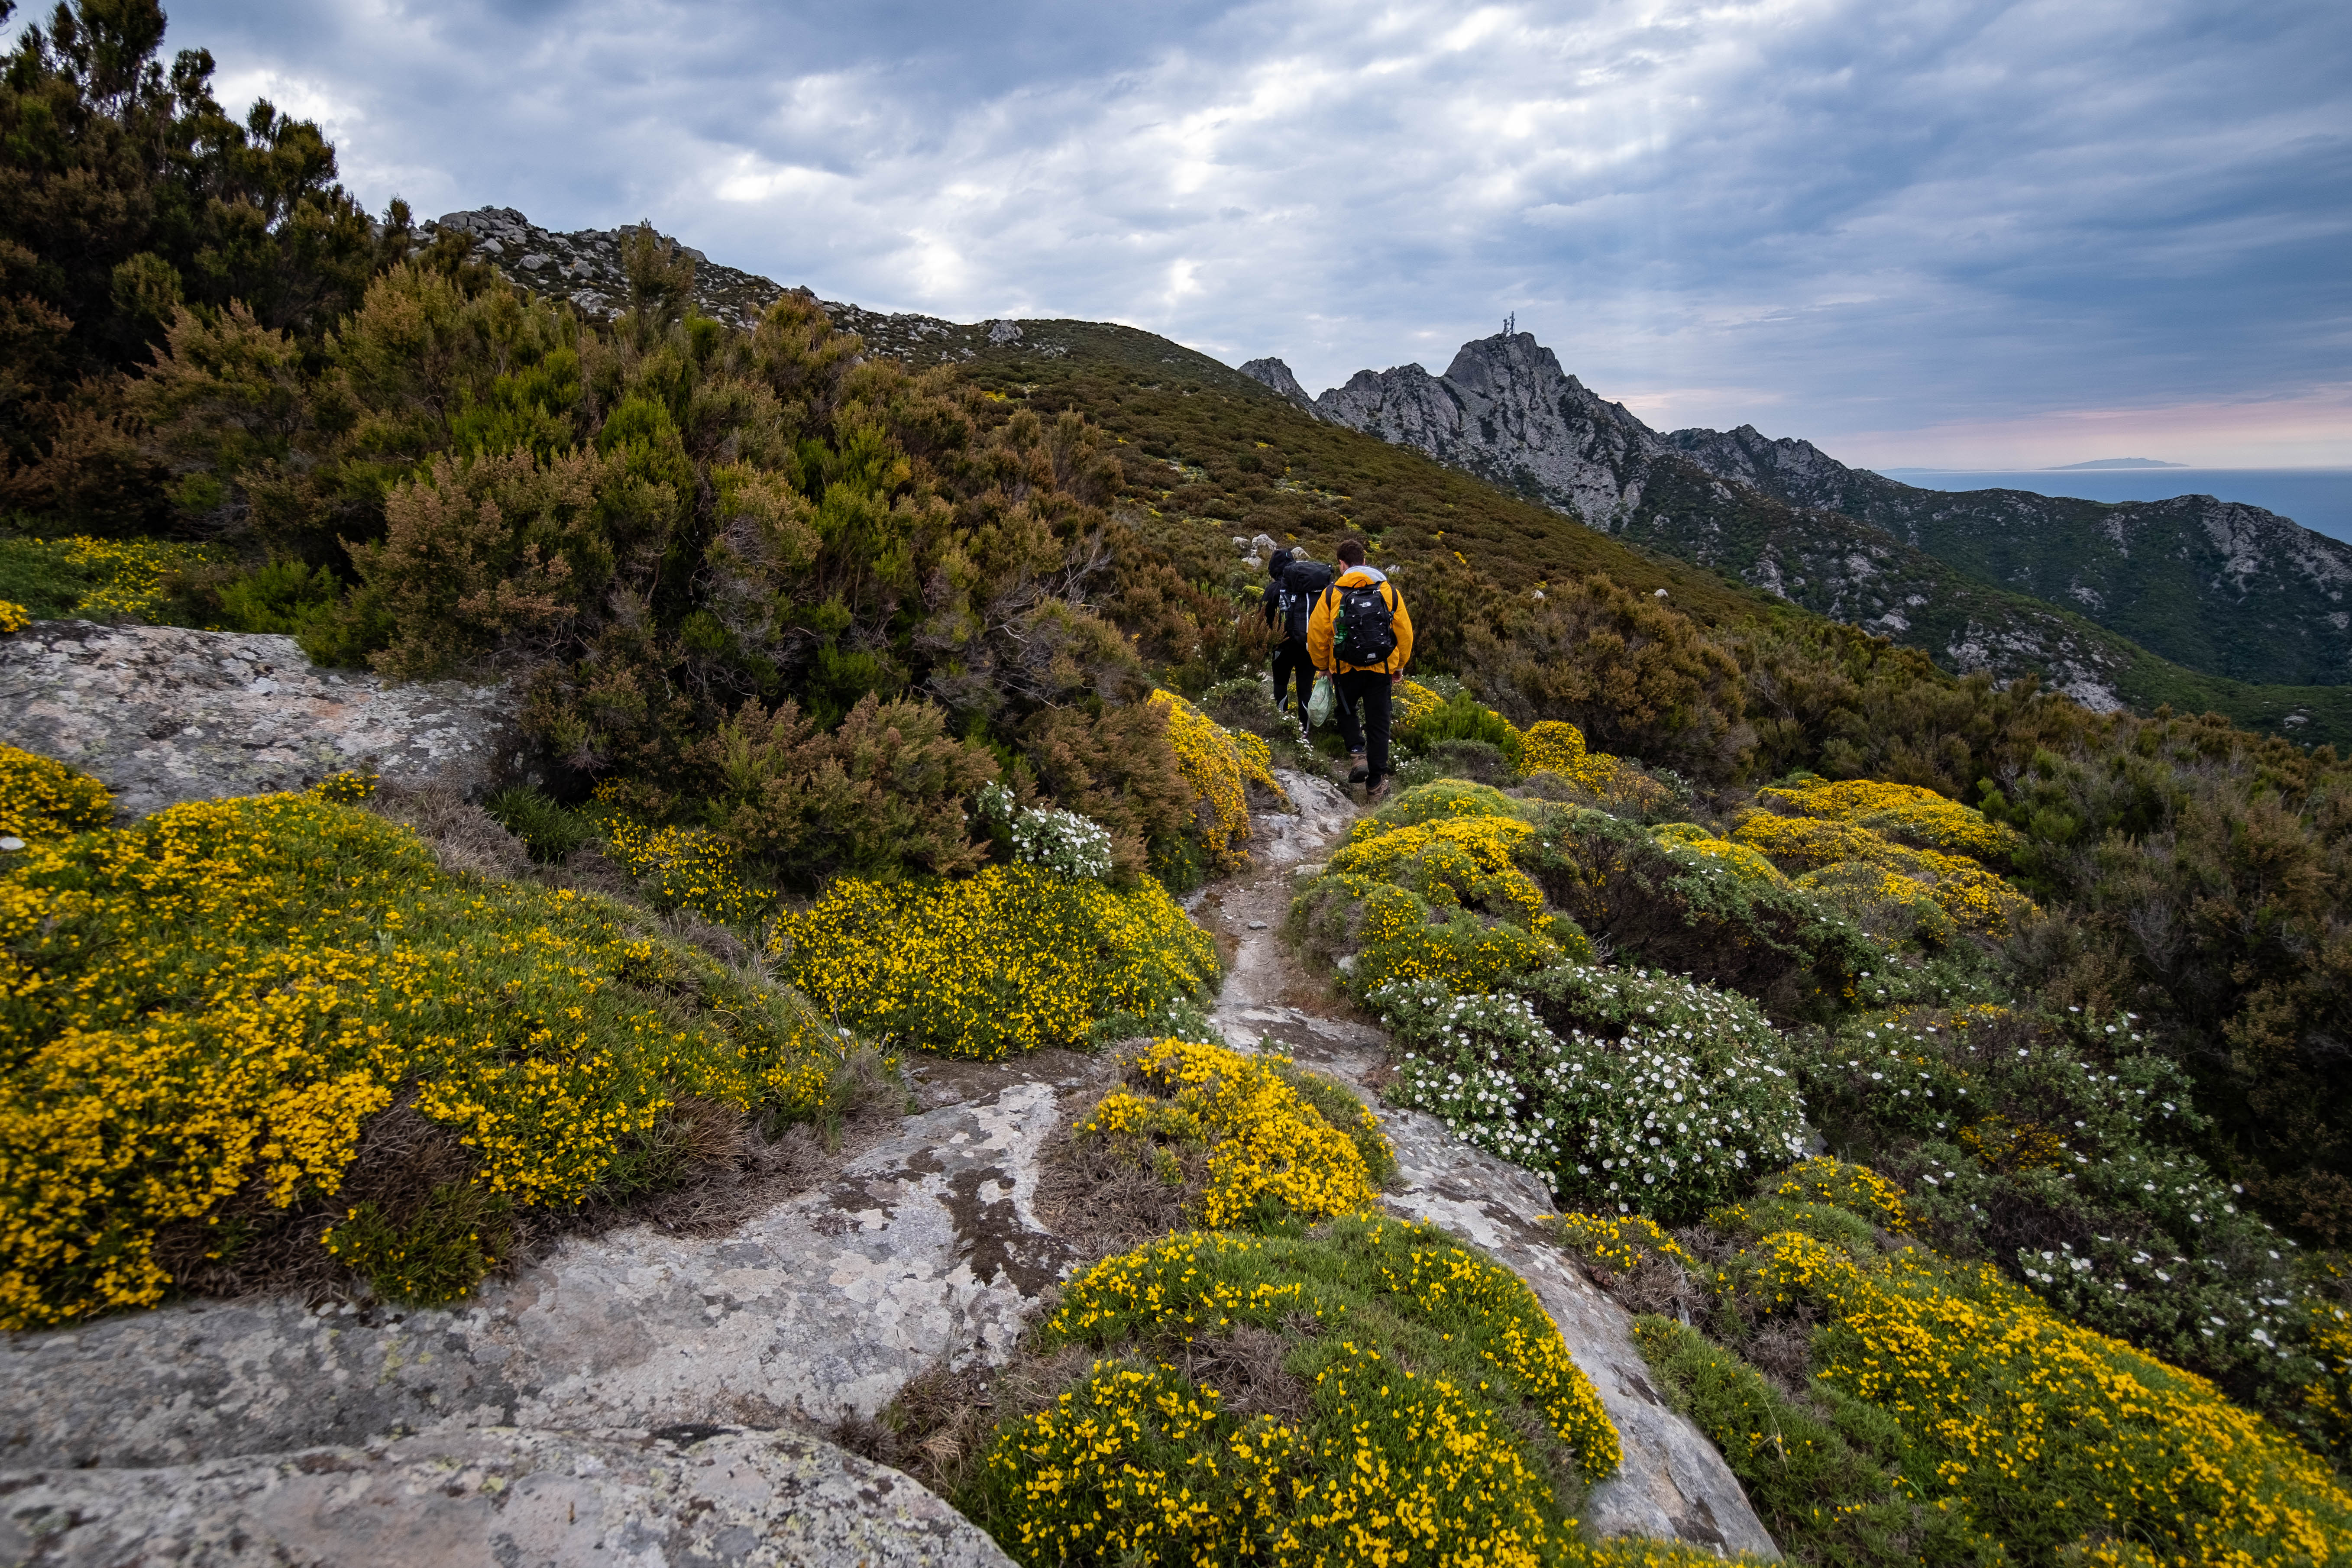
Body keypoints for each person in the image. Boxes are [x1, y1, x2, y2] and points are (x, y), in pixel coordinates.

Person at [1306, 538, 1414, 800]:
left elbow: (1318, 634)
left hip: (1345, 667)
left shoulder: (1332, 593)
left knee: (1346, 711)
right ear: (1365, 562)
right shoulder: (1389, 592)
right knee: (1379, 724)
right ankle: (1376, 786)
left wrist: (1323, 666)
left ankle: (1357, 754)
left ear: (1342, 565)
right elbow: (1405, 633)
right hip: (1381, 668)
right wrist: (1399, 665)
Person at [1262, 546, 1332, 734]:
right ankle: (1305, 732)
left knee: (1280, 684)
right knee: (1304, 689)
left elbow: (1264, 617)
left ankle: (1281, 725)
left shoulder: (1274, 590)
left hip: (1282, 646)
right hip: (1308, 646)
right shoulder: (1312, 590)